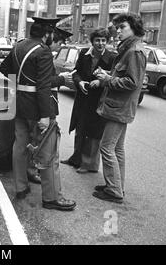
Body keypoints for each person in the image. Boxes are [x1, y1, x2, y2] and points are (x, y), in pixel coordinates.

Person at [0, 17, 76, 211]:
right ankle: (51, 198)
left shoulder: (19, 46)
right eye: (53, 34)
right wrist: (45, 115)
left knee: (20, 148)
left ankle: (20, 188)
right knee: (49, 154)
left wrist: (21, 87)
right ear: (47, 34)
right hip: (37, 109)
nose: (53, 37)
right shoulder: (42, 51)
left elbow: (4, 69)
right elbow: (43, 86)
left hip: (19, 105)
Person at [92, 12, 147, 203]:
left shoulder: (134, 52)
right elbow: (125, 76)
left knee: (106, 148)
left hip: (119, 108)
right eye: (118, 28)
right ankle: (116, 186)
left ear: (134, 28)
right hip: (118, 107)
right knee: (117, 149)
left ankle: (114, 191)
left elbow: (132, 82)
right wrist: (108, 74)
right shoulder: (128, 49)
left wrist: (108, 79)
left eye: (123, 27)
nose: (118, 32)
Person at [61, 28, 117, 173]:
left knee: (94, 132)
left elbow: (114, 78)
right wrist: (79, 82)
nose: (100, 43)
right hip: (83, 97)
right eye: (97, 40)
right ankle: (76, 158)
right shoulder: (84, 53)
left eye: (103, 40)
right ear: (92, 42)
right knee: (80, 128)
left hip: (99, 99)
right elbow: (76, 72)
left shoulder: (111, 57)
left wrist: (101, 82)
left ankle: (89, 164)